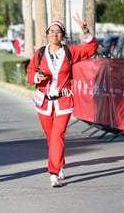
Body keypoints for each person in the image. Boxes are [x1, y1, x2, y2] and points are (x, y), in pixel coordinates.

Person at [26, 13, 98, 188]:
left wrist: (85, 29)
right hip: (44, 103)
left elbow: (92, 48)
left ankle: (54, 173)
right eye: (51, 31)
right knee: (51, 137)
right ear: (47, 34)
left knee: (58, 135)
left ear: (63, 35)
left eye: (58, 32)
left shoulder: (69, 51)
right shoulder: (40, 53)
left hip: (63, 102)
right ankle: (60, 162)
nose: (54, 34)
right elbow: (29, 72)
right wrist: (37, 77)